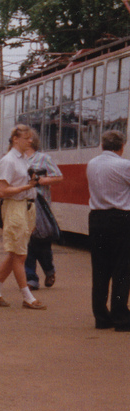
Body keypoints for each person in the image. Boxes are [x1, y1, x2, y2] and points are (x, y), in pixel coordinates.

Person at [0, 124, 46, 309]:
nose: (30, 141)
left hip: (26, 207)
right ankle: (27, 297)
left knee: (14, 252)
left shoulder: (23, 159)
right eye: (27, 138)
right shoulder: (8, 161)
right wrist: (27, 186)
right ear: (15, 139)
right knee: (20, 255)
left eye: (31, 138)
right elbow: (2, 191)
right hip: (15, 207)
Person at [85, 130, 130, 330]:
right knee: (122, 269)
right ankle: (121, 316)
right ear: (121, 146)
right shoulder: (124, 165)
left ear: (103, 145)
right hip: (121, 219)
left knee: (100, 268)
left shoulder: (92, 164)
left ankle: (101, 317)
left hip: (96, 218)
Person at [24, 131, 63, 289]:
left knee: (42, 241)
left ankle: (49, 269)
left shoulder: (43, 158)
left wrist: (40, 180)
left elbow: (58, 177)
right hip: (23, 203)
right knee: (26, 241)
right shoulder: (16, 159)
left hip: (40, 204)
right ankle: (31, 278)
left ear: (31, 140)